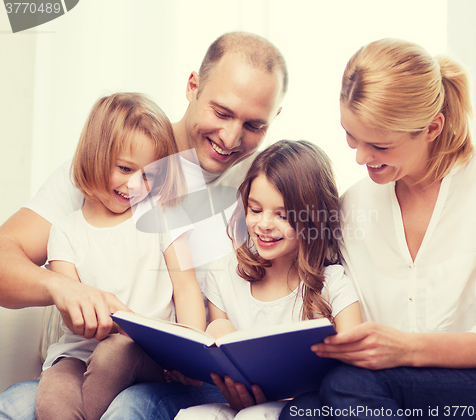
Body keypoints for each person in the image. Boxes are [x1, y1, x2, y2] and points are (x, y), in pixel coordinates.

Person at [0, 31, 287, 420]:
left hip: (181, 375)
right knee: (15, 406)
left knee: (129, 407)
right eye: (221, 112)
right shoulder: (106, 167)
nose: (231, 137)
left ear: (274, 120)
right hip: (87, 362)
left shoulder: (263, 195)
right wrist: (60, 285)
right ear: (192, 86)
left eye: (254, 125)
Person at [279, 38, 476, 420]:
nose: (362, 157)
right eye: (352, 138)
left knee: (348, 386)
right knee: (300, 412)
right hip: (385, 393)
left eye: (380, 146)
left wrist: (406, 349)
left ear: (432, 128)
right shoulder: (352, 209)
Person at [34, 92, 206, 420]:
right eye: (125, 168)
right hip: (77, 354)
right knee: (54, 398)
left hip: (146, 354)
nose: (134, 184)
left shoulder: (163, 214)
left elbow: (187, 291)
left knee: (115, 352)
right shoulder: (65, 231)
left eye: (148, 175)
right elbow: (73, 315)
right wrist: (111, 313)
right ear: (95, 155)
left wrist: (189, 356)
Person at [175, 140, 362, 420]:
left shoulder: (332, 285)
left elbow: (353, 373)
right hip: (237, 405)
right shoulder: (224, 274)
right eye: (255, 209)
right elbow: (222, 360)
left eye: (283, 215)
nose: (264, 225)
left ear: (312, 219)